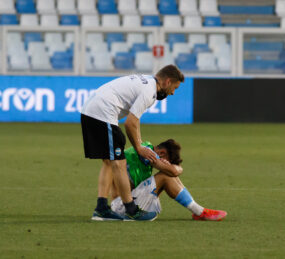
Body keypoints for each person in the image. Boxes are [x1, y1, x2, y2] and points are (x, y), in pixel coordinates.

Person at [80, 65, 184, 221]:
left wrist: (140, 143)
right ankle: (131, 210)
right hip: (102, 113)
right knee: (119, 163)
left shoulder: (147, 81)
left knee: (109, 161)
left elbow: (135, 121)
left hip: (91, 110)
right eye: (174, 88)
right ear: (167, 81)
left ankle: (101, 208)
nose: (173, 92)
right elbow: (130, 123)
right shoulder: (149, 91)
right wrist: (139, 149)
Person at [110, 139, 227, 221]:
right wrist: (171, 168)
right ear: (161, 153)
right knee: (165, 176)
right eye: (167, 160)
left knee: (168, 174)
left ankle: (198, 211)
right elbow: (174, 171)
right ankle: (200, 212)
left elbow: (174, 171)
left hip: (126, 203)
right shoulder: (148, 154)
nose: (167, 163)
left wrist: (171, 168)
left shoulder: (145, 149)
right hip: (122, 206)